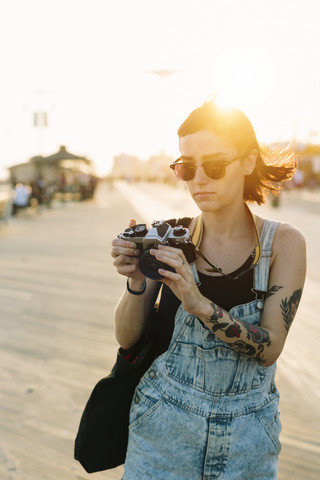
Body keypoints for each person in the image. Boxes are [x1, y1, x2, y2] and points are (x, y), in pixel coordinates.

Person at [111, 99, 306, 479]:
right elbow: (127, 336)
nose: (199, 180)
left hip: (248, 441)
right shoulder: (167, 235)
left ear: (248, 162)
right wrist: (135, 280)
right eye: (186, 167)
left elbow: (269, 349)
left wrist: (197, 303)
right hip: (162, 433)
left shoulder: (283, 244)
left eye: (215, 166)